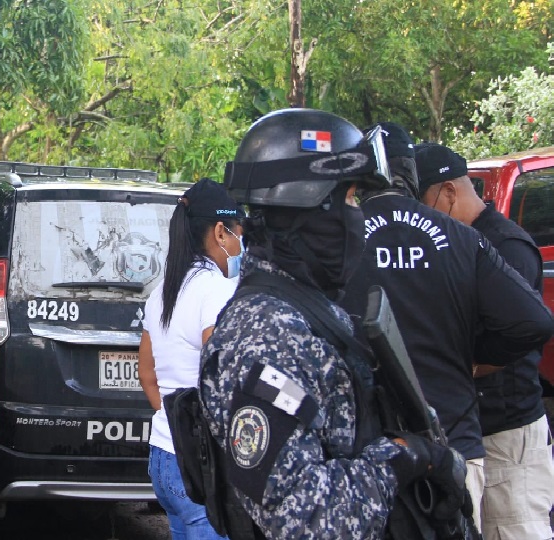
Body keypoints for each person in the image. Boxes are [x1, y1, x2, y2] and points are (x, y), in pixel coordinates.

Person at [201, 108, 468, 539]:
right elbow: (302, 520)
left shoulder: (308, 311)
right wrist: (400, 459)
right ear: (306, 205)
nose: (357, 216)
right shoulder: (266, 335)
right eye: (348, 199)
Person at [342, 122, 554, 532]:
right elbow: (532, 321)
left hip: (403, 445)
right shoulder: (463, 240)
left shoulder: (342, 238)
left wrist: (473, 361)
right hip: (457, 440)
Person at [415, 142, 554, 540]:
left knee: (514, 531)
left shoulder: (505, 246)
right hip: (468, 431)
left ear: (448, 192)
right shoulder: (452, 244)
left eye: (420, 202)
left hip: (507, 434)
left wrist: (457, 366)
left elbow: (523, 333)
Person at [139, 177, 244, 540]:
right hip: (203, 466)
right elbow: (224, 379)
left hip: (165, 458)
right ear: (220, 232)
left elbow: (147, 374)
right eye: (238, 233)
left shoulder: (163, 291)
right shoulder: (217, 291)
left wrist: (175, 424)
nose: (240, 243)